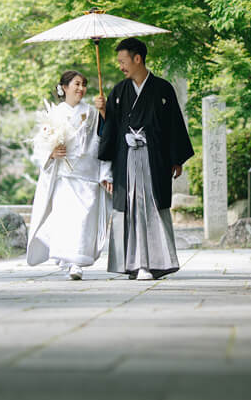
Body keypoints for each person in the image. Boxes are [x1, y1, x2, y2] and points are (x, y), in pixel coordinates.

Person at [96, 37, 194, 280]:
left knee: (150, 206)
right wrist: (103, 112)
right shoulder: (118, 91)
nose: (120, 66)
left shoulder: (162, 89)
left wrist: (176, 159)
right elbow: (110, 130)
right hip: (126, 159)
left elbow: (174, 125)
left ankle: (155, 262)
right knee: (130, 206)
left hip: (154, 159)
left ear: (137, 58)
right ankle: (135, 264)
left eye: (123, 60)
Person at [27, 70, 112, 280]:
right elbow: (40, 144)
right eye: (76, 84)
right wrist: (52, 152)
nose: (81, 88)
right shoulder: (54, 114)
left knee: (83, 219)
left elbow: (101, 142)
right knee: (66, 218)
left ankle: (76, 261)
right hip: (64, 175)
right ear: (64, 88)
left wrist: (104, 172)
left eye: (83, 84)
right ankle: (70, 261)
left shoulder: (92, 112)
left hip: (87, 172)